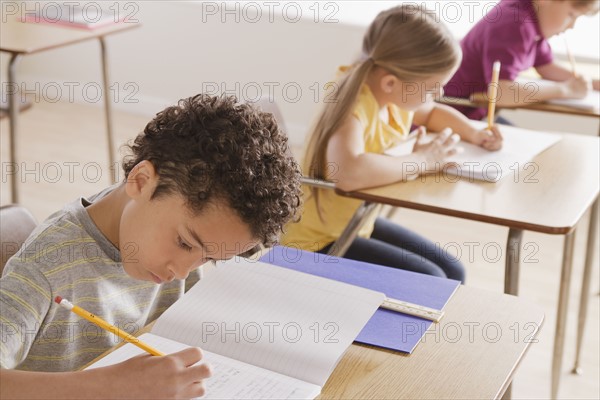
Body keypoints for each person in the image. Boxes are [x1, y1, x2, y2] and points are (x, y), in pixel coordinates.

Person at [0, 94, 302, 399]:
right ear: (141, 181)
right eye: (184, 243)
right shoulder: (45, 268)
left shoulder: (149, 223)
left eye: (209, 258)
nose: (181, 272)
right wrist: (108, 388)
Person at [282, 5, 505, 284]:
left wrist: (474, 133)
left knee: (454, 273)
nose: (440, 93)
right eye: (433, 86)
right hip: (313, 243)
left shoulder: (392, 96)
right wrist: (422, 161)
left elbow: (432, 113)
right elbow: (348, 172)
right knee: (434, 280)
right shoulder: (353, 107)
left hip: (355, 223)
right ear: (390, 82)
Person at [444, 0, 600, 121]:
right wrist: (566, 90)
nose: (572, 26)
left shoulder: (533, 20)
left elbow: (546, 67)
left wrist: (591, 84)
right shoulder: (515, 22)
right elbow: (500, 92)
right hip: (451, 114)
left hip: (475, 114)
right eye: (571, 15)